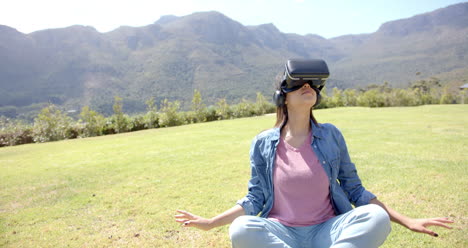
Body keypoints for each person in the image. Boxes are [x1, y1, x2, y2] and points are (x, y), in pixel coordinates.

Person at [175, 59, 453, 248]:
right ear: (282, 96)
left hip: (327, 231)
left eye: (311, 82)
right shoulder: (262, 143)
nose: (306, 86)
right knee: (242, 229)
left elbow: (357, 192)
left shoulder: (331, 135)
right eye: (298, 83)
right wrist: (211, 223)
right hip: (282, 233)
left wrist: (406, 220)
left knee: (375, 218)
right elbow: (254, 198)